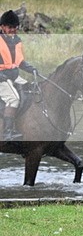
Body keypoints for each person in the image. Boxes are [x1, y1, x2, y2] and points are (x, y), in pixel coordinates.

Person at [0, 9, 38, 141]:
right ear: (2, 27)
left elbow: (19, 61)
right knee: (13, 99)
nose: (13, 30)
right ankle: (7, 132)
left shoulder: (16, 40)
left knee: (32, 90)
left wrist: (32, 69)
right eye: (10, 27)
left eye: (15, 27)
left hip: (13, 76)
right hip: (1, 78)